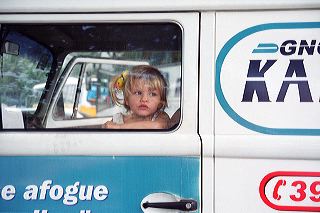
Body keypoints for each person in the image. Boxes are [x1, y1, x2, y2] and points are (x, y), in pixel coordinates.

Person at [102, 65, 170, 129]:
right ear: (127, 99)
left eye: (152, 94)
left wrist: (119, 127)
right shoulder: (118, 119)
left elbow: (157, 126)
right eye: (138, 93)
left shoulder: (160, 117)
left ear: (160, 102)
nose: (144, 99)